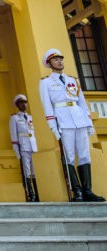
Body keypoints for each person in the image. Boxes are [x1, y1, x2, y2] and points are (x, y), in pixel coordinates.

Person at [39, 48, 104, 202]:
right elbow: (47, 106)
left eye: (61, 59)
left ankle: (88, 191)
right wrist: (53, 127)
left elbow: (82, 103)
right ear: (49, 63)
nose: (59, 61)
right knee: (68, 156)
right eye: (55, 59)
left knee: (84, 155)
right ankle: (77, 192)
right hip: (63, 121)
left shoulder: (73, 80)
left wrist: (89, 124)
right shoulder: (46, 83)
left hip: (79, 119)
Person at [9, 93, 39, 202]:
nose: (24, 105)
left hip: (33, 146)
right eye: (21, 103)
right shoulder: (14, 118)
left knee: (35, 171)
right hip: (23, 146)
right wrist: (17, 153)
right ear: (17, 105)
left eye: (25, 103)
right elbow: (14, 136)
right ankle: (31, 194)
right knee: (27, 171)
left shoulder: (30, 117)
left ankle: (37, 192)